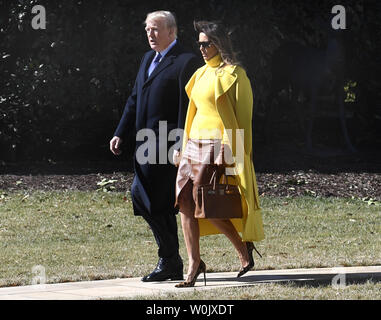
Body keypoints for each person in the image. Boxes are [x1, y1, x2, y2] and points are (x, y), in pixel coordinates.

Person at [173, 21, 264, 288]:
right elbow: (193, 114)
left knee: (208, 204)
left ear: (220, 44)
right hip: (193, 146)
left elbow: (244, 119)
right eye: (199, 44)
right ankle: (194, 263)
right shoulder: (199, 75)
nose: (201, 48)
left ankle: (242, 249)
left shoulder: (236, 75)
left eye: (206, 44)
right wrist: (182, 145)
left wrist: (231, 147)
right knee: (184, 202)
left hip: (216, 146)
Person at [110, 11, 199, 282]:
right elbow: (135, 98)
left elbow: (188, 109)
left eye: (156, 29)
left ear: (172, 31)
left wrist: (181, 144)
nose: (150, 34)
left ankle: (170, 260)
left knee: (152, 199)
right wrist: (120, 132)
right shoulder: (148, 59)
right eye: (148, 29)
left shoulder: (186, 61)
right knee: (145, 198)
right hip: (145, 143)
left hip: (168, 146)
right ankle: (170, 259)